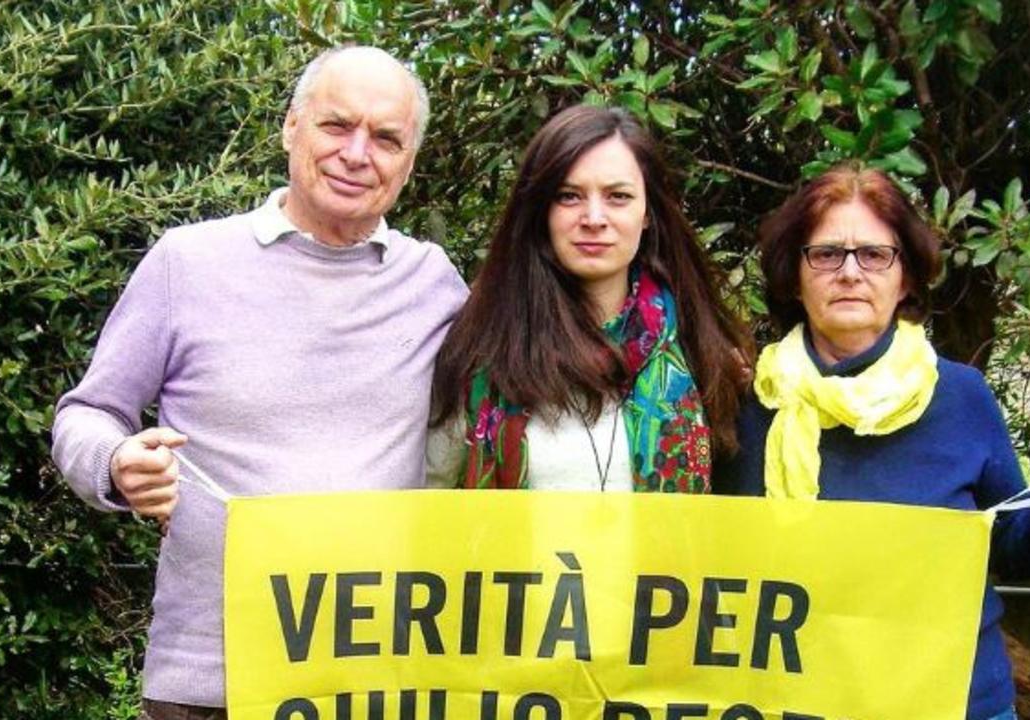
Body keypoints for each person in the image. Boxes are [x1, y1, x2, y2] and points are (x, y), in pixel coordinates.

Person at [51, 46, 467, 719]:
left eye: (386, 138)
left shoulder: (434, 285)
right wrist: (117, 462)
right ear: (290, 128)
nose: (357, 154)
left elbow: (520, 396)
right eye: (336, 126)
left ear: (409, 162)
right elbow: (86, 414)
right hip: (209, 684)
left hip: (371, 680)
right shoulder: (188, 262)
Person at [713, 164, 1030, 720]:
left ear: (907, 278)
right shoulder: (745, 401)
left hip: (950, 700)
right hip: (790, 702)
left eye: (874, 255)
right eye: (825, 254)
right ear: (794, 277)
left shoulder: (961, 396)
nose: (849, 273)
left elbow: (1010, 547)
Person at [426, 105, 751, 492]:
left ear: (648, 213)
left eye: (618, 196)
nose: (594, 217)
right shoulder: (482, 351)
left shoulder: (701, 349)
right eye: (569, 196)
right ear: (541, 212)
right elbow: (433, 498)